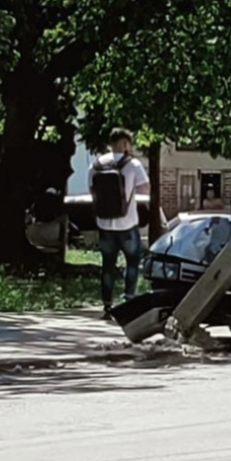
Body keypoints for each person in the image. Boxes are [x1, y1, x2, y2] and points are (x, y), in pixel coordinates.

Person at [90, 128, 150, 319]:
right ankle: (128, 302)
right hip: (127, 223)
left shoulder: (96, 165)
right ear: (125, 144)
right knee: (132, 262)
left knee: (107, 265)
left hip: (104, 225)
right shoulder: (132, 164)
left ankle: (107, 307)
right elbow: (146, 189)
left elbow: (92, 190)